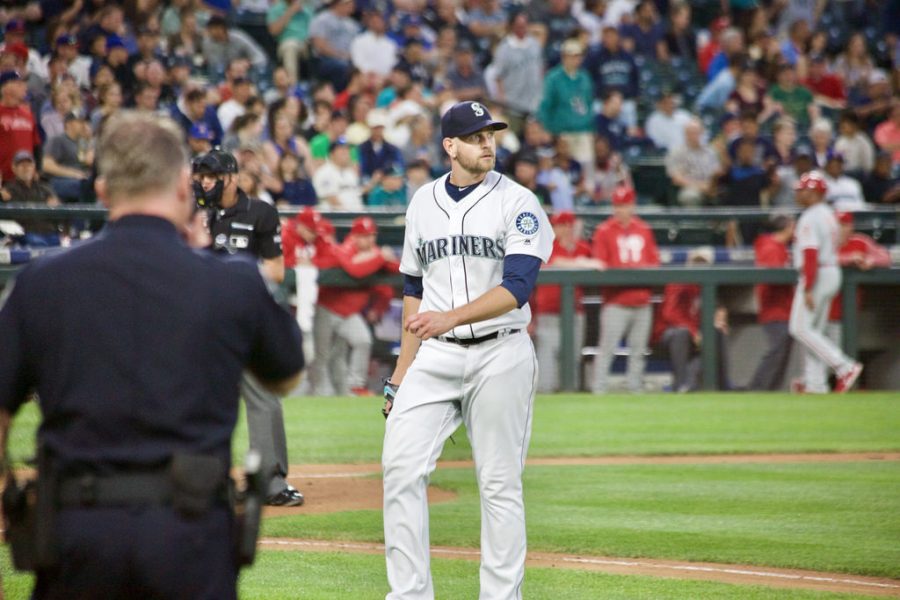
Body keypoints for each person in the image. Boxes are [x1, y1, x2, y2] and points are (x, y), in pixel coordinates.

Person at [0, 111, 304, 598]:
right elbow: (286, 375)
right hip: (191, 537)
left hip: (76, 535)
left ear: (102, 191)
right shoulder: (232, 282)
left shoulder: (40, 283)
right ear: (185, 187)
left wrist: (13, 501)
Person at [381, 100, 553, 599]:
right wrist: (399, 375)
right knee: (400, 469)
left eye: (491, 135)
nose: (487, 143)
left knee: (499, 485)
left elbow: (517, 287)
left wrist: (450, 317)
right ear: (449, 146)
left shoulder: (518, 202)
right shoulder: (422, 202)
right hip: (434, 356)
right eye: (476, 136)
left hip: (500, 353)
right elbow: (414, 290)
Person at [192, 148, 304, 506]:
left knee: (263, 397)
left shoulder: (260, 212)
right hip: (201, 322)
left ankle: (270, 481)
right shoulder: (191, 214)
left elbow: (275, 271)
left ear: (233, 178)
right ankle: (204, 480)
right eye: (202, 177)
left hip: (244, 320)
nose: (206, 183)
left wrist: (227, 277)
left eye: (213, 177)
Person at [788, 172, 863, 394]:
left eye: (802, 190)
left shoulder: (810, 217)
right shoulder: (829, 214)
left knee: (799, 328)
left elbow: (810, 253)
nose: (798, 194)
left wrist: (809, 286)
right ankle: (815, 384)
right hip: (830, 270)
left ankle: (844, 366)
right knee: (815, 332)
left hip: (817, 273)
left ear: (813, 193)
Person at [310, 216, 398, 396]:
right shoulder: (344, 248)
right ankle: (317, 392)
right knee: (323, 355)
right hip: (326, 308)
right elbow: (355, 269)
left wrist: (374, 258)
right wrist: (379, 257)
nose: (369, 239)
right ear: (355, 236)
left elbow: (396, 268)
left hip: (349, 313)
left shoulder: (372, 251)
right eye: (364, 235)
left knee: (362, 340)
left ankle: (355, 386)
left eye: (372, 235)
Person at [590, 185, 660, 393]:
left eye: (625, 205)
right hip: (616, 301)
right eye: (618, 206)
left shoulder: (644, 229)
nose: (621, 210)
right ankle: (598, 389)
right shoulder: (604, 230)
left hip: (642, 299)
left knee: (638, 351)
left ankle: (635, 389)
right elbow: (600, 264)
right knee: (607, 348)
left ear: (632, 206)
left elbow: (654, 263)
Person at [533, 211, 600, 392]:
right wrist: (579, 262)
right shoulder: (545, 245)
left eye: (563, 225)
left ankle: (570, 395)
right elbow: (554, 261)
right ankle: (547, 395)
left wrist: (581, 259)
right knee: (547, 360)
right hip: (548, 312)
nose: (559, 229)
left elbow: (600, 263)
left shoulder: (582, 248)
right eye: (557, 225)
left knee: (572, 359)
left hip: (574, 312)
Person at [656, 247, 730, 392]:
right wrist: (694, 331)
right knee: (681, 333)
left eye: (703, 263)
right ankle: (681, 384)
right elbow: (669, 314)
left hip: (695, 334)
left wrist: (718, 321)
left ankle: (720, 385)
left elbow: (716, 309)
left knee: (716, 333)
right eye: (697, 262)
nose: (699, 266)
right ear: (689, 263)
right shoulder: (679, 281)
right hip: (668, 333)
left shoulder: (705, 285)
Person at [748, 213, 796, 391]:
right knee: (777, 350)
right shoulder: (770, 246)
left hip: (783, 306)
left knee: (781, 350)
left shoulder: (779, 246)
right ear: (786, 227)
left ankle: (770, 389)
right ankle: (758, 388)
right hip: (775, 307)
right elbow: (772, 279)